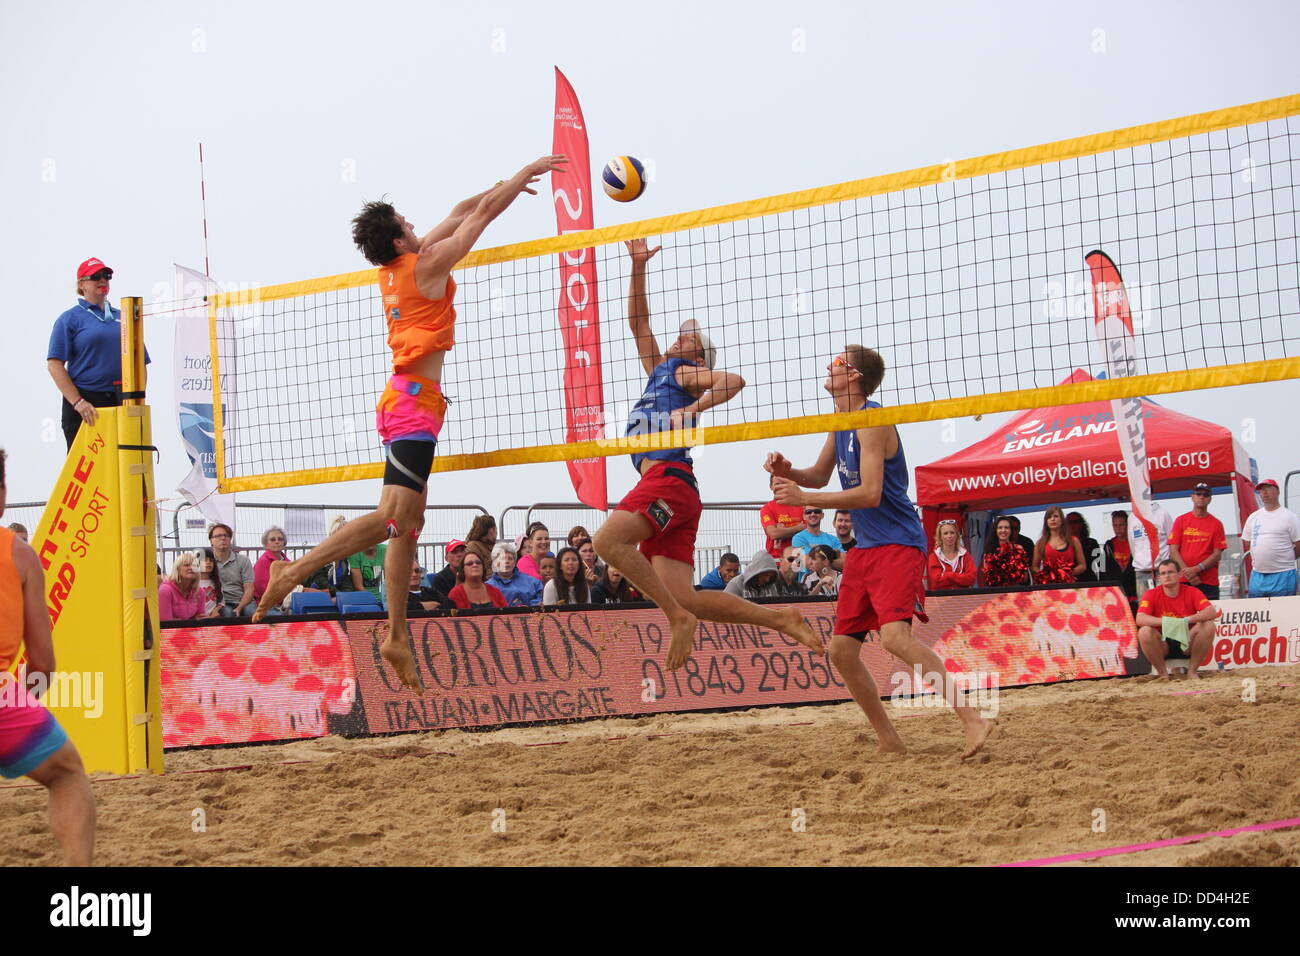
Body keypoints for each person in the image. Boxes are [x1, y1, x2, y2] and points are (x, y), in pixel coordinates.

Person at [252, 155, 569, 695]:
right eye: (408, 224)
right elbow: (479, 219)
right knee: (388, 519)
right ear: (400, 240)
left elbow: (462, 208)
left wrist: (500, 184)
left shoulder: (399, 268)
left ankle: (396, 634)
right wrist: (521, 176)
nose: (418, 228)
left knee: (407, 526)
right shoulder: (426, 267)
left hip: (414, 402)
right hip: (412, 407)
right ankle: (293, 572)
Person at [591, 238, 820, 669]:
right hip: (674, 491)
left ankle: (675, 618)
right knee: (690, 597)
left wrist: (692, 410)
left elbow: (733, 380)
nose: (678, 337)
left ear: (698, 355)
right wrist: (638, 266)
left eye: (688, 337)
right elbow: (639, 323)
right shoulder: (662, 372)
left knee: (607, 541)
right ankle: (782, 619)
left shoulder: (685, 374)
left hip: (669, 483)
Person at [767, 345, 992, 758]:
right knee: (841, 650)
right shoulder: (841, 422)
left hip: (898, 543)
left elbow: (870, 494)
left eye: (835, 363)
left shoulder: (873, 419)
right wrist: (788, 473)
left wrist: (804, 496)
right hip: (867, 549)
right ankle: (889, 739)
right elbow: (818, 474)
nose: (828, 366)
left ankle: (972, 718)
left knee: (895, 639)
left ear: (853, 375)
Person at [0, 448, 96, 864]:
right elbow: (41, 664)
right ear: (2, 492)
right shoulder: (18, 554)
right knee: (67, 775)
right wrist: (17, 706)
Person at [47, 258, 150, 451]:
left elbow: (141, 362)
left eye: (106, 276)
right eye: (96, 277)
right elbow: (54, 365)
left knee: (123, 470)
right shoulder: (69, 319)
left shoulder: (124, 315)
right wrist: (78, 402)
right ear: (82, 285)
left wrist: (137, 400)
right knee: (87, 472)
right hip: (87, 404)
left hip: (122, 400)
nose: (103, 280)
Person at [1135, 559, 1222, 680]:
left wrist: (1187, 620)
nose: (1167, 576)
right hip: (1162, 642)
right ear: (1159, 577)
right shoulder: (1151, 594)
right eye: (1163, 573)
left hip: (1186, 640)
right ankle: (1163, 674)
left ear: (1179, 574)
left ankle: (1192, 671)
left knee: (1208, 625)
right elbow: (1140, 618)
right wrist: (1166, 621)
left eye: (1170, 572)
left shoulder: (1192, 591)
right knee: (1144, 631)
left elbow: (1211, 611)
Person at [1241, 479, 1300, 597]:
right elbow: (1247, 541)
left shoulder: (1290, 517)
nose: (1264, 493)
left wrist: (1284, 557)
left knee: (1282, 611)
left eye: (1268, 489)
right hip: (1258, 574)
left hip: (1283, 573)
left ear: (1277, 492)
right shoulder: (1254, 517)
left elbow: (1298, 544)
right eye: (1262, 491)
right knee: (1258, 611)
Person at [1169, 483, 1228, 600]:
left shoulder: (1216, 524)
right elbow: (1173, 550)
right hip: (1184, 580)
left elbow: (1217, 554)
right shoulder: (1180, 520)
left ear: (1210, 499)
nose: (1202, 497)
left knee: (1209, 617)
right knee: (1183, 617)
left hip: (1207, 582)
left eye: (1206, 495)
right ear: (1192, 497)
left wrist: (1196, 569)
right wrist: (1188, 574)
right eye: (1198, 494)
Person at [1129, 499, 1174, 596]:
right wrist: (1140, 560)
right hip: (1141, 570)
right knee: (1144, 606)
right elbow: (1132, 545)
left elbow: (1172, 541)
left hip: (1161, 570)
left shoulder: (1163, 513)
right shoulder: (1132, 517)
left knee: (1164, 605)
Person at [209, 523, 254, 616]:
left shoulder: (243, 560)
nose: (223, 538)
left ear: (230, 539)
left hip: (243, 600)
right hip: (220, 603)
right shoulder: (207, 562)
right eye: (218, 536)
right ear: (211, 541)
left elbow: (249, 588)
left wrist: (240, 607)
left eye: (226, 535)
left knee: (252, 613)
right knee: (228, 614)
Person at [1032, 506, 1086, 585]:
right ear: (1046, 521)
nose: (1052, 519)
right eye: (1049, 517)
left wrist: (1067, 573)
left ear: (1062, 520)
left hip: (1069, 585)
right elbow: (1034, 567)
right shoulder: (1040, 543)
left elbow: (1082, 565)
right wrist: (1046, 575)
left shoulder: (1073, 540)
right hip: (1048, 586)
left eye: (1056, 516)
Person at [724, 549, 805, 599]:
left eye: (770, 576)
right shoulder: (736, 584)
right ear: (756, 572)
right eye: (765, 575)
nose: (767, 579)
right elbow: (724, 609)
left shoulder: (771, 586)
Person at [760, 472, 806, 559]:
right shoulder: (767, 508)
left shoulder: (801, 506)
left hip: (800, 558)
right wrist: (797, 528)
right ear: (771, 486)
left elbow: (806, 530)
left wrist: (782, 531)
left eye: (783, 483)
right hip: (777, 559)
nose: (780, 487)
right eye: (777, 484)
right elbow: (773, 534)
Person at [159, 551, 210, 621]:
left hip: (192, 630)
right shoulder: (165, 590)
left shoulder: (200, 592)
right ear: (177, 569)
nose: (191, 568)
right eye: (186, 565)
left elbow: (200, 620)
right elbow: (166, 622)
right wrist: (192, 621)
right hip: (170, 631)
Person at [981, 516, 1030, 587]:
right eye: (1000, 528)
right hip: (996, 591)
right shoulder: (989, 551)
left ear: (1011, 531)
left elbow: (1025, 577)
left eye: (1006, 528)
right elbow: (987, 577)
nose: (1003, 530)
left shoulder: (1019, 548)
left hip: (1015, 590)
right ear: (995, 531)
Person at [927, 519, 975, 590]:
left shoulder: (965, 555)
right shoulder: (934, 557)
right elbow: (936, 581)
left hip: (962, 598)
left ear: (957, 535)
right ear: (940, 537)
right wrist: (960, 578)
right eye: (945, 533)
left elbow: (971, 579)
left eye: (952, 533)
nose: (949, 536)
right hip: (941, 599)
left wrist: (949, 575)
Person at [1102, 511, 1137, 599]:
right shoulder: (1109, 545)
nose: (1118, 529)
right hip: (1116, 593)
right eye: (1115, 525)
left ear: (1127, 525)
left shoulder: (1135, 542)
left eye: (1121, 525)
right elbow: (1105, 570)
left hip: (1134, 591)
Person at [252, 526, 290, 606]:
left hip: (286, 601)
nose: (277, 542)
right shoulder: (262, 562)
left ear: (284, 543)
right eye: (273, 539)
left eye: (280, 539)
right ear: (266, 544)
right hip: (267, 604)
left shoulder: (288, 562)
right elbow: (262, 589)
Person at [425, 539, 466, 606]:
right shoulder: (439, 579)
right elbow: (443, 606)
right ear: (446, 558)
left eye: (462, 551)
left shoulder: (473, 574)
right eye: (454, 552)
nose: (459, 555)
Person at [1066, 512, 1100, 582]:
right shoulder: (1062, 545)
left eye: (1075, 522)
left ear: (1081, 524)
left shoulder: (1091, 543)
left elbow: (1101, 567)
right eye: (1069, 522)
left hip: (1089, 582)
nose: (1072, 525)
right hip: (1069, 583)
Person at [196, 547, 222, 617]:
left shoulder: (216, 582)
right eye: (205, 560)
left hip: (213, 618)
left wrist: (215, 610)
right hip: (197, 619)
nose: (208, 562)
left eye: (211, 560)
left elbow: (222, 601)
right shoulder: (193, 583)